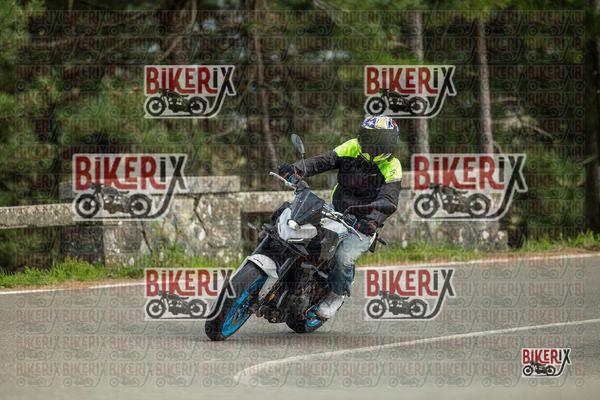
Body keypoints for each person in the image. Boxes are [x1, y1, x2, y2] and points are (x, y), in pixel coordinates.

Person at [277, 116, 403, 319]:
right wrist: (296, 170)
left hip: (363, 223)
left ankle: (336, 294)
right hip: (336, 209)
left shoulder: (393, 165)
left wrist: (372, 220)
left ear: (389, 143)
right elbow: (324, 161)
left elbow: (389, 198)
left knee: (343, 256)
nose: (373, 144)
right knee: (297, 224)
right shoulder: (352, 147)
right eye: (370, 137)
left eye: (379, 140)